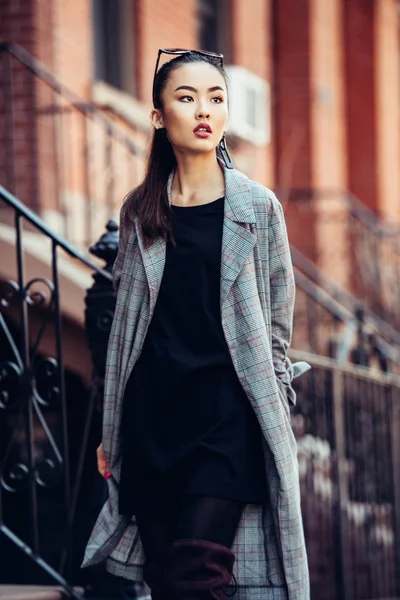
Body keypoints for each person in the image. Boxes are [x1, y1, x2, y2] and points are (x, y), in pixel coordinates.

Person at [82, 49, 310, 600]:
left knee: (200, 577)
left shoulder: (258, 207)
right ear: (159, 116)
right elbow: (125, 335)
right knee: (164, 580)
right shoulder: (141, 210)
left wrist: (276, 398)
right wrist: (112, 432)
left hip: (227, 419)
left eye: (215, 98)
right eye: (187, 98)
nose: (204, 110)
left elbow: (278, 318)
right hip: (154, 417)